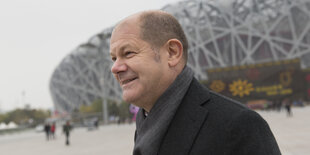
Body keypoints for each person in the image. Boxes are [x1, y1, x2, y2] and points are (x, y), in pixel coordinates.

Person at [110, 10, 281, 155]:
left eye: (128, 53)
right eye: (113, 58)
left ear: (172, 53)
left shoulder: (238, 125)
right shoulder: (149, 123)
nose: (115, 68)